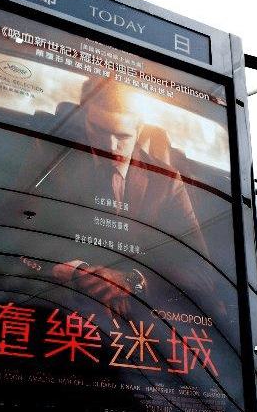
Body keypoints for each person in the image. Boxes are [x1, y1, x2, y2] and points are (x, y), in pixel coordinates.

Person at [22, 76, 211, 320]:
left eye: (122, 137)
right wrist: (78, 272)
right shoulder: (49, 154)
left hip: (141, 314)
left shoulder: (166, 181)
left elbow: (200, 270)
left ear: (139, 130)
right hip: (58, 298)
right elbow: (15, 227)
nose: (110, 147)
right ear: (85, 118)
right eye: (98, 131)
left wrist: (132, 281)